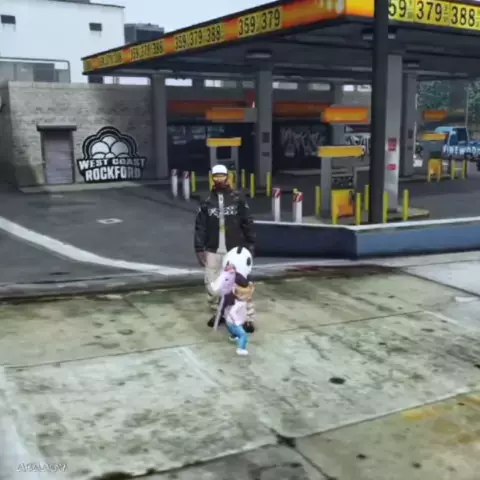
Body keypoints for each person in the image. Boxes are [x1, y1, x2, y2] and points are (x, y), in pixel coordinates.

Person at [194, 164, 256, 331]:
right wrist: (199, 248)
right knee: (212, 285)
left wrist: (250, 244)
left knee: (242, 284)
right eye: (216, 176)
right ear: (212, 178)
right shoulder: (206, 199)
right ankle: (218, 313)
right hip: (212, 249)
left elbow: (247, 221)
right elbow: (200, 226)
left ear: (228, 177)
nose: (219, 179)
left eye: (222, 176)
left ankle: (248, 318)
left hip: (234, 250)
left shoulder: (237, 197)